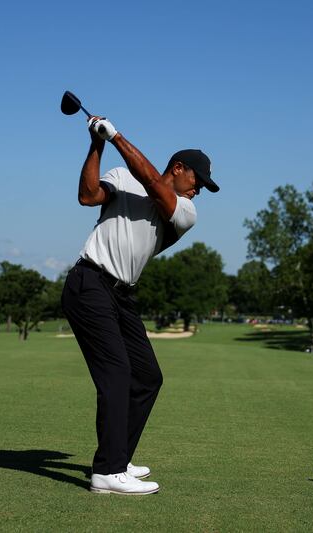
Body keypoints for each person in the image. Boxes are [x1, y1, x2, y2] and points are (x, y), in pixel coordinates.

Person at [60, 115, 219, 495]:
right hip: (90, 282)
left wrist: (115, 135)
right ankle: (108, 471)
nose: (199, 191)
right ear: (179, 168)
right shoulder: (122, 176)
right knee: (116, 374)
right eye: (198, 181)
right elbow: (88, 196)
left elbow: (152, 183)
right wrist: (97, 143)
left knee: (147, 377)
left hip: (122, 294)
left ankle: (119, 457)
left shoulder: (184, 211)